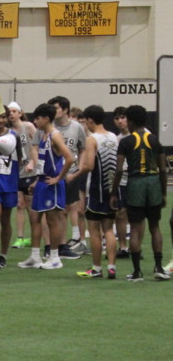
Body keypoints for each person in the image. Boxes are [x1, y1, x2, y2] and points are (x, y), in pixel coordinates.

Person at [110, 104, 168, 282]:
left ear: (131, 121)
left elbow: (119, 170)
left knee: (135, 228)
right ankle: (159, 267)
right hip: (153, 183)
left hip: (135, 184)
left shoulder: (126, 142)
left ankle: (137, 272)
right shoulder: (154, 140)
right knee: (155, 227)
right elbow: (163, 169)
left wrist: (114, 192)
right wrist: (163, 193)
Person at [18, 103, 73, 270]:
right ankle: (35, 257)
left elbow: (70, 158)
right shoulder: (42, 135)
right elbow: (42, 162)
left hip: (51, 184)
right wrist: (37, 180)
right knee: (35, 218)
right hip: (42, 182)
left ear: (47, 119)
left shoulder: (55, 136)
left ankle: (55, 258)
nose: (35, 121)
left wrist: (59, 178)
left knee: (52, 220)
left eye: (38, 118)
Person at [72, 105, 119, 279]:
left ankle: (97, 268)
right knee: (109, 229)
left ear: (90, 120)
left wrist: (74, 175)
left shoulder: (92, 139)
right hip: (111, 188)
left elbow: (90, 165)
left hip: (96, 189)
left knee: (94, 230)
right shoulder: (113, 137)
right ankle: (112, 267)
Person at [0, 107, 26, 269]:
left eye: (4, 117)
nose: (1, 120)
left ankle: (3, 254)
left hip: (9, 181)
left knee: (6, 219)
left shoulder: (14, 136)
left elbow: (20, 158)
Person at [48, 95, 86, 258]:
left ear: (65, 110)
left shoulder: (76, 127)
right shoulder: (50, 127)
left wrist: (80, 168)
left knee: (67, 209)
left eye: (56, 108)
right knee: (55, 211)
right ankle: (53, 245)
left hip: (71, 173)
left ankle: (62, 245)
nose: (53, 111)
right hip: (54, 173)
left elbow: (82, 148)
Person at [7, 101, 37, 250]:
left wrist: (33, 161)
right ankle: (20, 237)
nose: (11, 114)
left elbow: (38, 145)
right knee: (19, 204)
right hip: (16, 172)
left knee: (30, 205)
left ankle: (34, 235)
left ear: (20, 113)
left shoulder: (28, 126)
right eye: (9, 112)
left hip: (30, 171)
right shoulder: (8, 131)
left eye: (14, 111)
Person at [112, 107, 132, 260]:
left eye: (123, 117)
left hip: (137, 178)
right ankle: (123, 247)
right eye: (117, 118)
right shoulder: (117, 139)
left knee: (137, 214)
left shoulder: (142, 134)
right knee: (120, 213)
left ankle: (136, 247)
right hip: (123, 179)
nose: (120, 121)